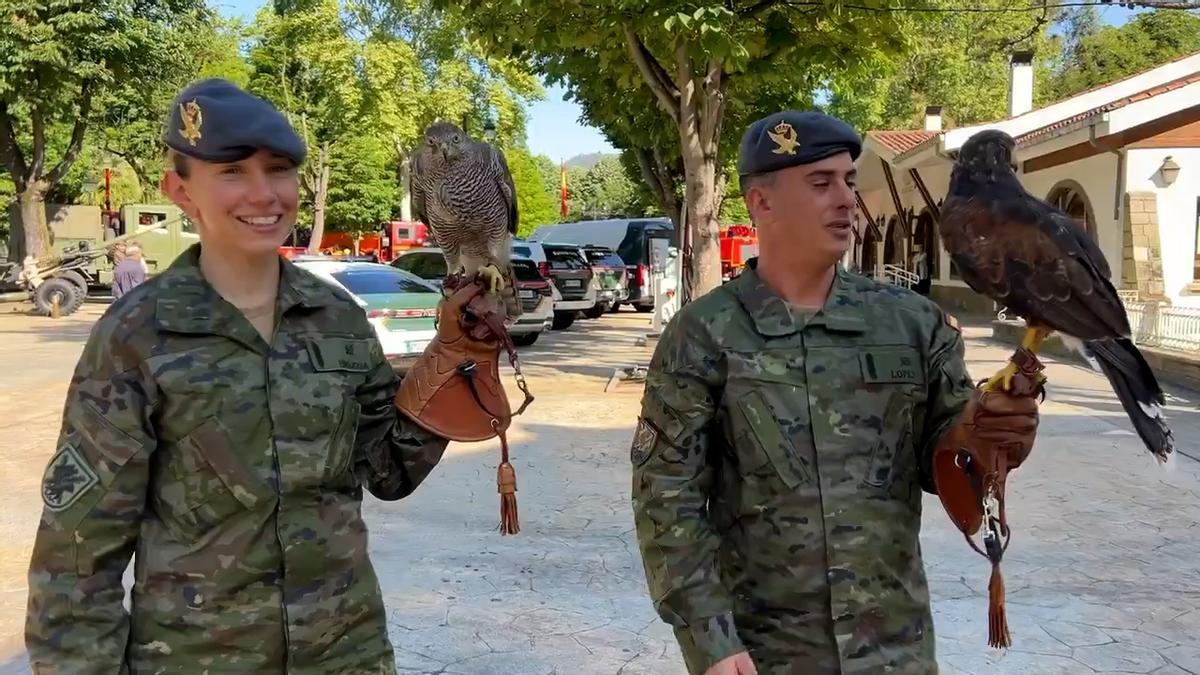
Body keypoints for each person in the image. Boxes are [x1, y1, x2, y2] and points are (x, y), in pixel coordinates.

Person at [25, 78, 503, 672]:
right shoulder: (137, 334)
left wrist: (456, 357)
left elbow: (389, 471)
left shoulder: (338, 320)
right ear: (180, 190)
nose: (263, 194)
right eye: (231, 172)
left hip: (346, 654)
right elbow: (76, 558)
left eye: (278, 170)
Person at [629, 110, 1044, 675]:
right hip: (763, 652)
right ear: (762, 204)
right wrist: (711, 639)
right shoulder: (704, 334)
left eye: (849, 180)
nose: (847, 198)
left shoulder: (912, 325)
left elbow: (945, 462)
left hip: (894, 646)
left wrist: (991, 434)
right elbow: (667, 498)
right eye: (821, 183)